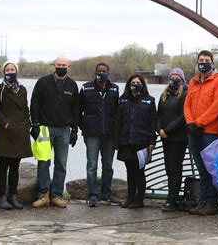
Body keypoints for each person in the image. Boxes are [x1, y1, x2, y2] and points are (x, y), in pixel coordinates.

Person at [30, 56, 79, 208]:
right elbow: (34, 103)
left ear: (69, 67)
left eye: (64, 65)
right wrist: (35, 124)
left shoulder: (72, 85)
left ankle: (57, 195)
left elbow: (76, 109)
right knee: (43, 162)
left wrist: (75, 129)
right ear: (54, 65)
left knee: (61, 163)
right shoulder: (43, 82)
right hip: (44, 128)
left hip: (64, 129)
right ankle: (43, 194)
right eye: (58, 65)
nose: (61, 67)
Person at [183, 50, 218, 216]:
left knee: (211, 169)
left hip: (210, 132)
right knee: (201, 169)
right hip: (193, 131)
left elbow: (217, 106)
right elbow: (186, 105)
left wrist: (199, 123)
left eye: (206, 60)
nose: (203, 62)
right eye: (201, 60)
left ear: (212, 63)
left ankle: (212, 203)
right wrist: (190, 123)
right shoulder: (193, 82)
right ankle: (203, 202)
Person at [0, 61, 33, 210]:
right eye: (7, 70)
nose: (10, 72)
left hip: (20, 132)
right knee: (3, 166)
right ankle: (2, 197)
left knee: (15, 166)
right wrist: (6, 124)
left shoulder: (22, 89)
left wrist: (27, 125)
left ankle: (13, 196)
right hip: (5, 132)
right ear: (4, 72)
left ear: (16, 71)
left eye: (12, 69)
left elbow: (26, 109)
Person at [79, 62, 120, 207]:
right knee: (92, 165)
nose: (101, 73)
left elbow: (117, 112)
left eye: (104, 71)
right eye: (99, 71)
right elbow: (79, 110)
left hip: (109, 133)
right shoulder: (86, 88)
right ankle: (92, 196)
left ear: (108, 73)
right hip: (91, 133)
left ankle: (107, 194)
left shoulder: (115, 89)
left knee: (108, 165)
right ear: (95, 72)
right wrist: (83, 126)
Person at [115, 74, 156, 209]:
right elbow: (118, 122)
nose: (135, 84)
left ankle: (139, 199)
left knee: (139, 171)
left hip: (142, 142)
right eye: (133, 82)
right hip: (126, 141)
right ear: (128, 84)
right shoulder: (122, 101)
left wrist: (152, 141)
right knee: (129, 171)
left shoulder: (149, 101)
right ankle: (130, 197)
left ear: (143, 85)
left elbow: (152, 123)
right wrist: (117, 141)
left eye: (138, 82)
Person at [156, 68, 188, 212]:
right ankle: (171, 197)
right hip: (165, 138)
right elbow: (158, 114)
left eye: (177, 77)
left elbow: (183, 116)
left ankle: (172, 200)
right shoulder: (164, 94)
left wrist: (167, 130)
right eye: (172, 76)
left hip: (179, 137)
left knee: (175, 169)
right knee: (169, 169)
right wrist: (159, 129)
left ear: (182, 79)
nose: (174, 79)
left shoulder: (185, 94)